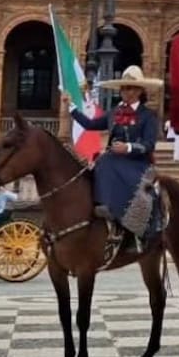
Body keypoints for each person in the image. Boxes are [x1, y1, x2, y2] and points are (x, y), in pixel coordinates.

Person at [65, 65, 163, 250]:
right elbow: (90, 124)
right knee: (101, 162)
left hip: (137, 162)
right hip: (113, 159)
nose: (126, 92)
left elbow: (149, 145)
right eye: (124, 88)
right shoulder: (115, 113)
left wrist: (128, 147)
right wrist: (71, 107)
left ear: (140, 91)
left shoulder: (148, 116)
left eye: (131, 88)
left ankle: (134, 226)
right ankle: (100, 206)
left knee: (107, 163)